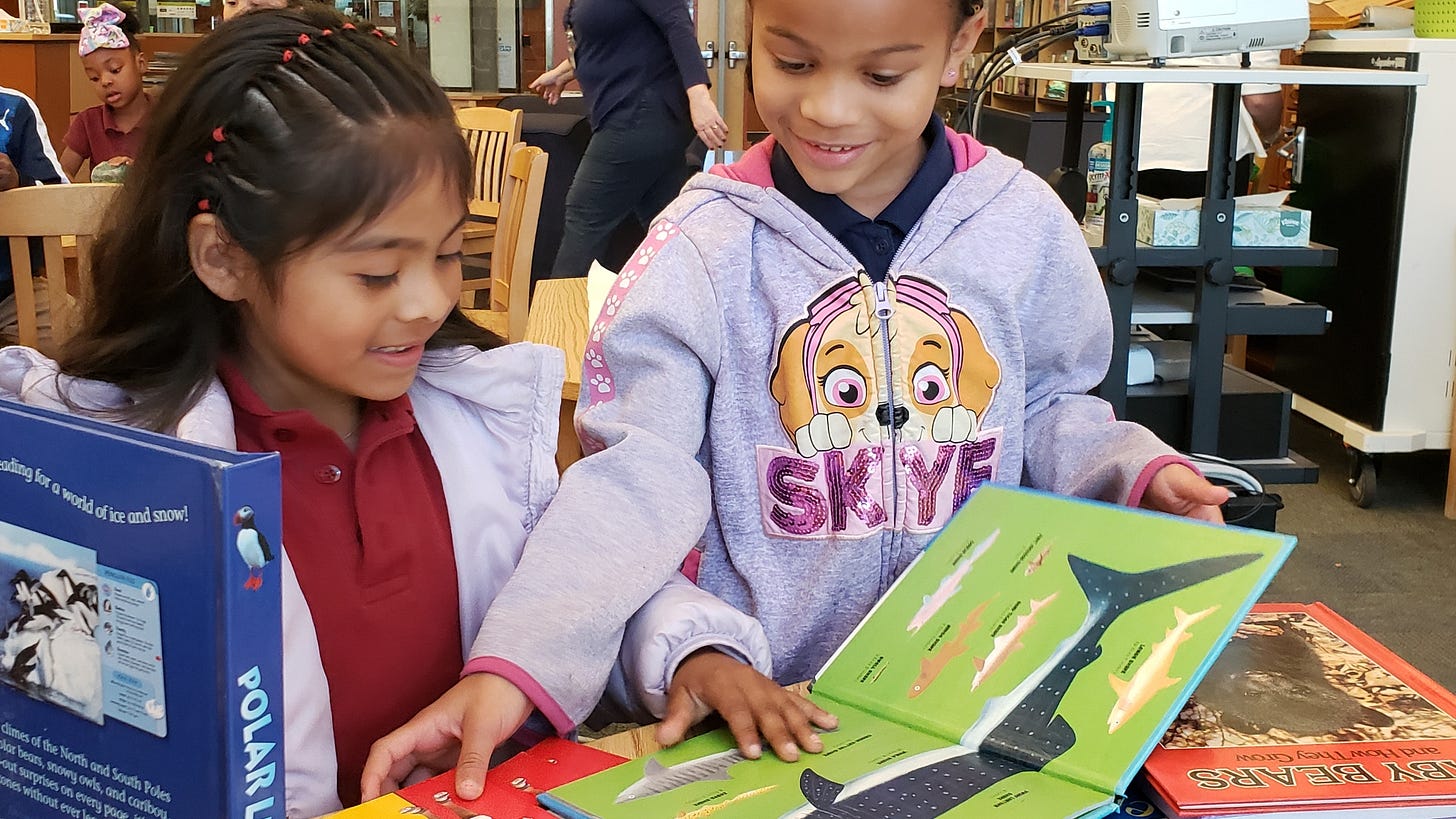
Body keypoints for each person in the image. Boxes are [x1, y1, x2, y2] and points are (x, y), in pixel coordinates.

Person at [370, 0, 1232, 776]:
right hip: (767, 720)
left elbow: (1047, 403)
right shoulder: (701, 248)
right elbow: (633, 482)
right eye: (792, 62)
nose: (828, 108)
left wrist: (1131, 466)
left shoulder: (1022, 222)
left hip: (977, 696)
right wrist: (535, 662)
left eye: (882, 76)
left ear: (959, 45)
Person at [0, 7, 764, 813]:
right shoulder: (124, 481)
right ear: (223, 257)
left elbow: (573, 581)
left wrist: (689, 650)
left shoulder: (476, 422)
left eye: (447, 253)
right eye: (376, 273)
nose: (430, 300)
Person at [528, 0, 728, 278]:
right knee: (665, 224)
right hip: (635, 114)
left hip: (641, 112)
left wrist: (699, 97)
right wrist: (563, 73)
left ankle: (559, 306)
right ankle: (703, 295)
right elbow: (613, 39)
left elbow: (677, 24)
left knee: (585, 212)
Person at [1137, 51, 1284, 200]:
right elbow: (1259, 101)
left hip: (1137, 145)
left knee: (1134, 213)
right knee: (1214, 214)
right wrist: (1271, 135)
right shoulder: (1258, 34)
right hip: (1212, 153)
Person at [59, 3, 153, 183]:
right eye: (94, 78)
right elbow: (62, 174)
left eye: (115, 70)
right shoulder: (88, 121)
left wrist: (139, 174)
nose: (105, 81)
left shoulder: (167, 117)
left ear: (141, 64)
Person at [0, 84, 66, 303]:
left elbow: (61, 203)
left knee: (77, 321)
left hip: (15, 291)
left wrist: (18, 182)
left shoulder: (15, 107)